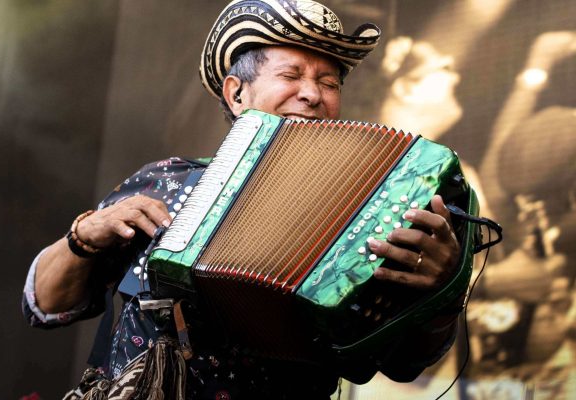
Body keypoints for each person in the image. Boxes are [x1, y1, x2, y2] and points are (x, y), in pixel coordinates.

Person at [23, 1, 468, 399]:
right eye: (291, 76)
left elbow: (404, 364)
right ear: (237, 93)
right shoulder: (165, 180)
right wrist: (83, 236)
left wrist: (442, 293)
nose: (312, 94)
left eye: (328, 83)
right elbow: (44, 306)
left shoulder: (369, 213)